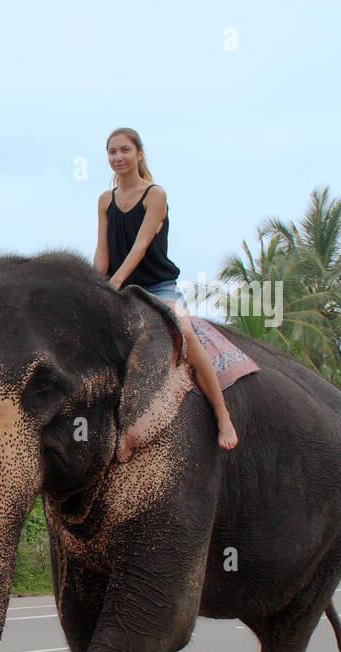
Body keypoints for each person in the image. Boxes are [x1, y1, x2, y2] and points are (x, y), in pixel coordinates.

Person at [94, 126, 239, 458]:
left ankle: (222, 415)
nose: (118, 157)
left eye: (124, 150)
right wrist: (96, 285)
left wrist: (115, 283)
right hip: (118, 288)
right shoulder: (105, 201)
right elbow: (102, 251)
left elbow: (141, 246)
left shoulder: (155, 195)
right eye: (112, 152)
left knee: (185, 331)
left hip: (158, 287)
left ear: (139, 154)